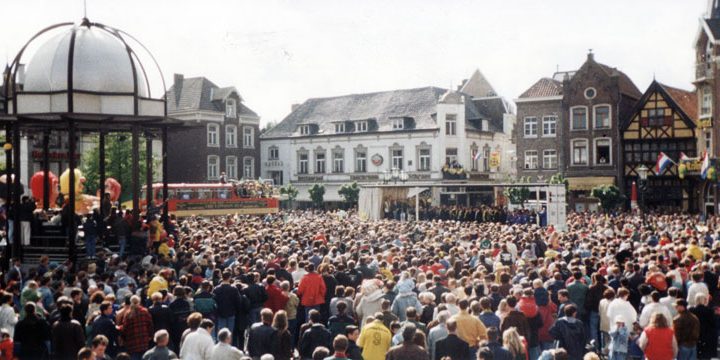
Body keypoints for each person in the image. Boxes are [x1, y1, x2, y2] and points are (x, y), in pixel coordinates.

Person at [122, 295, 155, 360]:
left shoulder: (128, 314)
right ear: (139, 302)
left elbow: (125, 328)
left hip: (132, 342)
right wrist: (150, 336)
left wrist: (124, 338)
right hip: (144, 341)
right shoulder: (145, 311)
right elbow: (150, 325)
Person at [213, 271, 242, 337]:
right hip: (231, 313)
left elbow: (214, 301)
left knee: (221, 332)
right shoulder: (234, 289)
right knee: (230, 333)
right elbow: (238, 301)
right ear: (229, 278)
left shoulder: (216, 289)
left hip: (220, 313)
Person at [689, 293, 717, 359]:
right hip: (707, 334)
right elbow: (713, 324)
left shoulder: (691, 310)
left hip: (695, 334)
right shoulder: (709, 311)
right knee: (706, 355)